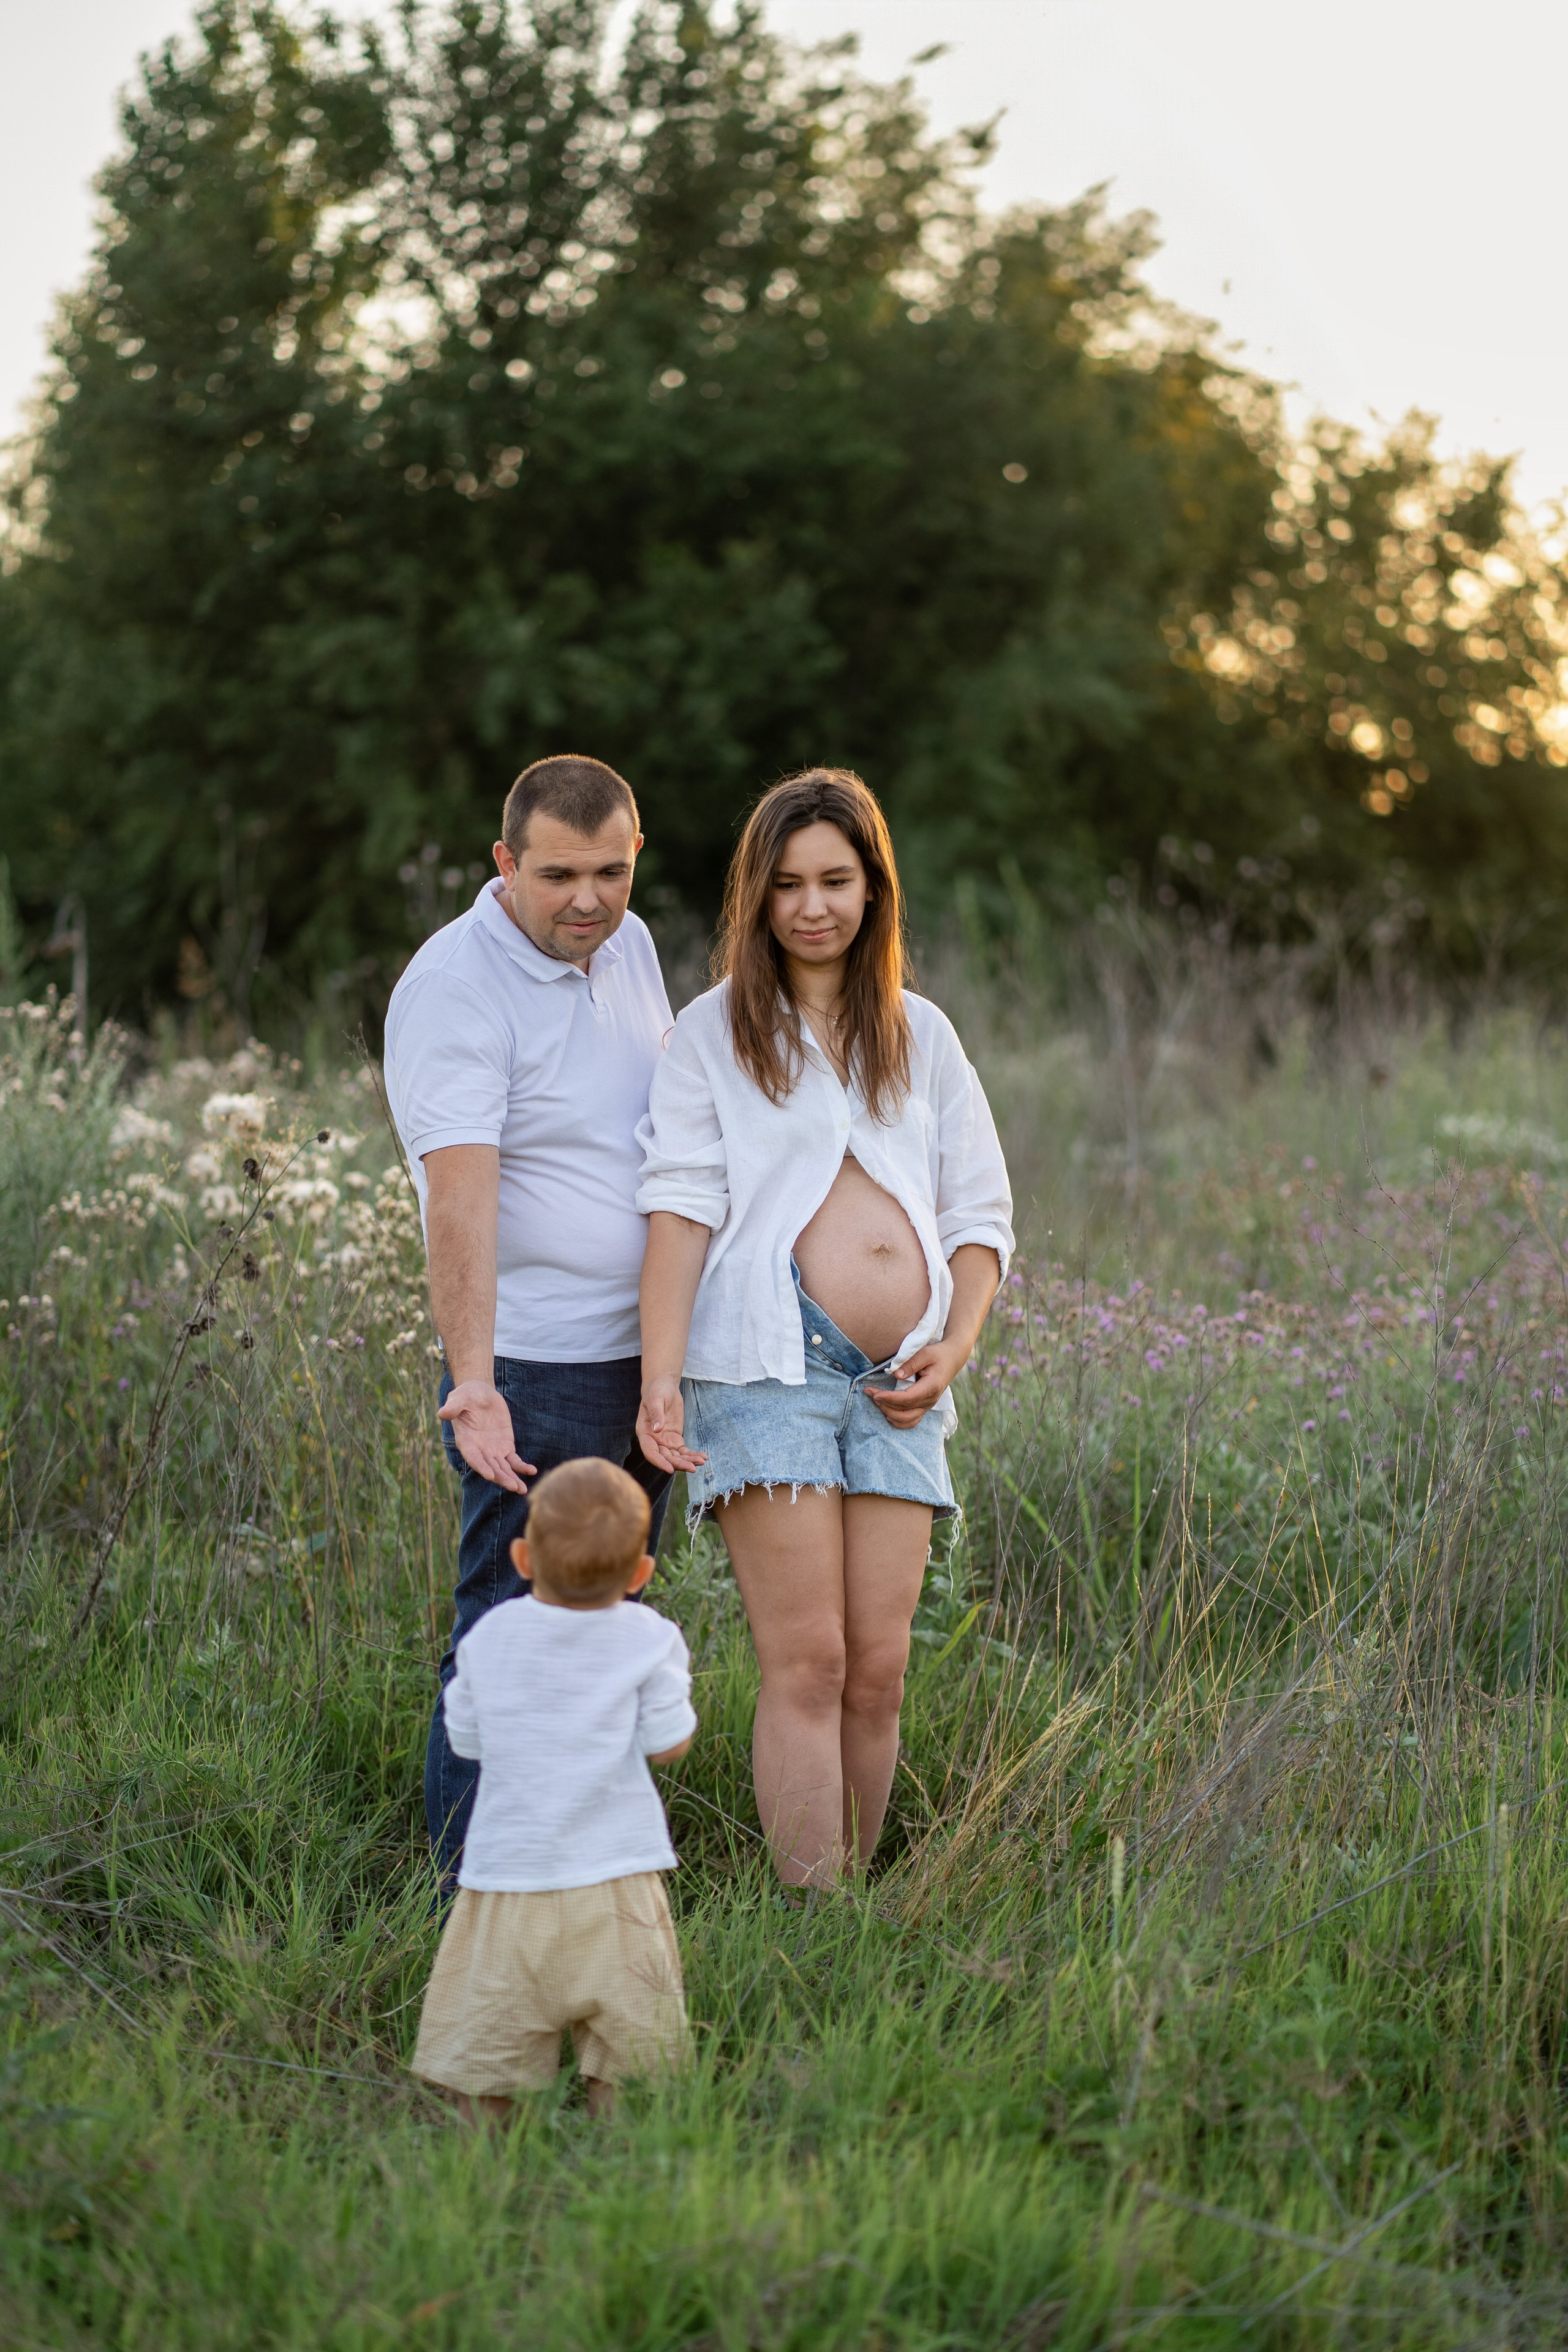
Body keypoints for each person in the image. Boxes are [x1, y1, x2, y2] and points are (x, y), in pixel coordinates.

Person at [635, 769, 1013, 1889]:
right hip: (765, 1366)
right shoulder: (712, 1034)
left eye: (836, 881)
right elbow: (680, 1210)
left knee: (879, 1671)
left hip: (901, 1377)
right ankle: (815, 1916)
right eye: (789, 884)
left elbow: (981, 1216)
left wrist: (955, 1345)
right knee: (809, 1662)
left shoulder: (921, 1034)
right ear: (757, 895)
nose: (813, 907)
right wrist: (661, 1378)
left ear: (873, 888)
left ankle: (851, 1911)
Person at [383, 755, 674, 1886]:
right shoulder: (456, 987)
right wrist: (475, 1382)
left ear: (635, 855)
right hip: (533, 1370)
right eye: (558, 877)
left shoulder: (629, 947)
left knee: (606, 1627)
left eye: (610, 872)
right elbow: (457, 1199)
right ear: (505, 863)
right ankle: (476, 1895)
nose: (588, 901)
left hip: (641, 1358)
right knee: (508, 1635)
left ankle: (584, 1874)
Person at [410, 1458, 696, 2124]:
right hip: (618, 1878)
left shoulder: (489, 1637)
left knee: (489, 2045)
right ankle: (624, 2155)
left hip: (508, 1877)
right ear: (640, 1573)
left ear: (523, 1557)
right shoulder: (652, 1638)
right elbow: (668, 1744)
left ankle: (484, 2159)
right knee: (631, 2051)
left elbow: (466, 1740)